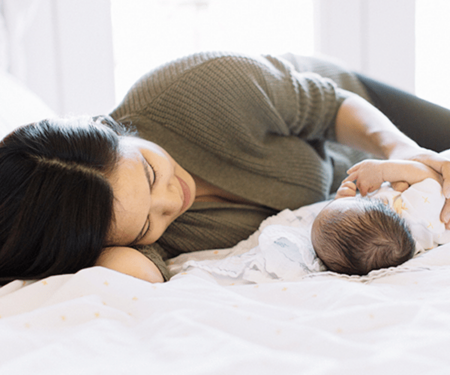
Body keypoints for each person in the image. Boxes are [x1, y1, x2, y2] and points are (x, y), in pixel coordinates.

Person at [2, 52, 450, 285]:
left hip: (363, 121)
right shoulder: (122, 231)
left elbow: (328, 106)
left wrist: (404, 151)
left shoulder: (200, 86)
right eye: (146, 225)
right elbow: (140, 270)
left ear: (113, 129)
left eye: (150, 174)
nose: (172, 200)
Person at [311, 158, 450, 275]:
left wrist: (340, 201)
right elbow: (431, 177)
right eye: (360, 200)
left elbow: (349, 224)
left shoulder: (401, 246)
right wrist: (384, 170)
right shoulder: (417, 210)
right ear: (382, 206)